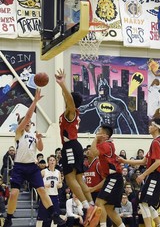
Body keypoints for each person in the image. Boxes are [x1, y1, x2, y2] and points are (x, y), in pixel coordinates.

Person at [3, 89, 65, 227]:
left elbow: (41, 149)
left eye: (29, 122)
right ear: (22, 123)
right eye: (25, 121)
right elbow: (27, 116)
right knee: (13, 194)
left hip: (31, 166)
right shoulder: (19, 132)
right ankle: (9, 218)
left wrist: (39, 139)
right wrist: (35, 101)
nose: (27, 122)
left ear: (31, 125)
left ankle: (54, 215)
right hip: (19, 166)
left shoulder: (33, 135)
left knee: (42, 190)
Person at [55, 68, 99, 226]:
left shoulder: (71, 112)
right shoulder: (73, 113)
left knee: (69, 177)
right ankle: (92, 205)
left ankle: (87, 207)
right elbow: (67, 98)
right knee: (80, 179)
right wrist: (63, 88)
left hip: (70, 146)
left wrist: (62, 84)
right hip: (76, 146)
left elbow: (68, 100)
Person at [118, 118, 160, 227]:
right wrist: (124, 161)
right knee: (147, 203)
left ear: (156, 128)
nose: (149, 127)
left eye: (151, 125)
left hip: (157, 176)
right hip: (157, 176)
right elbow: (144, 161)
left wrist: (143, 175)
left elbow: (158, 162)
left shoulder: (156, 142)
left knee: (143, 202)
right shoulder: (157, 142)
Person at [90, 124, 125, 227]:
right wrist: (93, 189)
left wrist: (95, 138)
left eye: (99, 131)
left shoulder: (106, 145)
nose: (97, 133)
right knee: (109, 208)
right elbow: (105, 180)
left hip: (115, 178)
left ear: (105, 135)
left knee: (99, 202)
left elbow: (93, 153)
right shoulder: (107, 145)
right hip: (114, 178)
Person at [37, 155, 63, 227]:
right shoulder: (43, 171)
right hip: (46, 196)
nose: (52, 161)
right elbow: (37, 182)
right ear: (48, 162)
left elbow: (60, 183)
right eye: (50, 160)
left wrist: (59, 185)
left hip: (55, 195)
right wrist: (44, 185)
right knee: (46, 218)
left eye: (53, 160)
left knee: (56, 218)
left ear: (56, 162)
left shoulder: (58, 172)